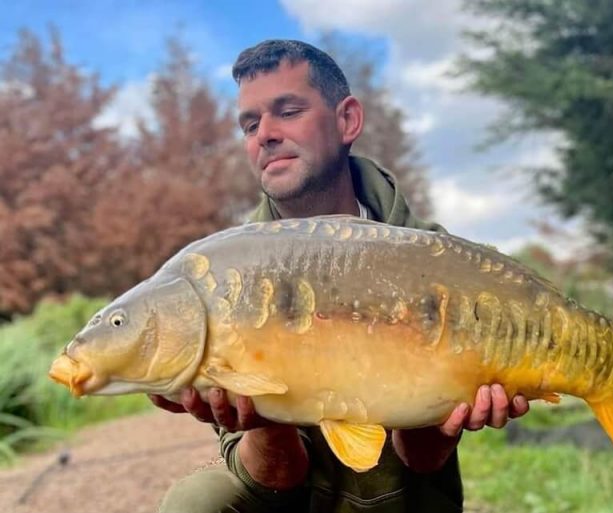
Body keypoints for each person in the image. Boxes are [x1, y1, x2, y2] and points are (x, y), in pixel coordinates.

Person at [150, 39, 530, 513]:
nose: (264, 134)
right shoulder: (225, 275)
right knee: (193, 502)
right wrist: (259, 412)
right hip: (294, 500)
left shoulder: (434, 256)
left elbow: (422, 459)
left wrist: (464, 402)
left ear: (347, 120)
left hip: (406, 497)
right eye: (250, 124)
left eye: (287, 111)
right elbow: (278, 475)